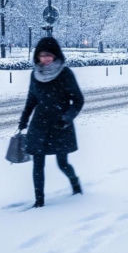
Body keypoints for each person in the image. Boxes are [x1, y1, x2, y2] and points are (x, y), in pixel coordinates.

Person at [18, 36, 85, 208]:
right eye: (42, 55)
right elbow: (31, 100)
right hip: (39, 126)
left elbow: (78, 100)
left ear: (55, 55)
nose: (46, 58)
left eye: (49, 55)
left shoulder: (65, 74)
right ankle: (39, 201)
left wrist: (67, 117)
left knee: (62, 163)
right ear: (37, 57)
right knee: (38, 164)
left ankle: (75, 184)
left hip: (60, 125)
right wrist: (23, 120)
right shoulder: (35, 75)